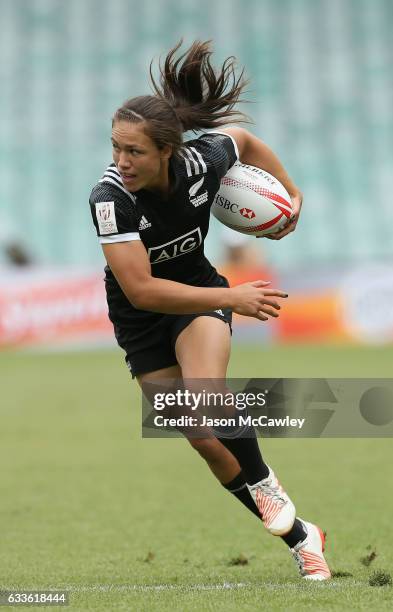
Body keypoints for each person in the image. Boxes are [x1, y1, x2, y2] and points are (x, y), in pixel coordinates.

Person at [89, 40, 331, 581]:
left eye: (134, 152)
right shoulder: (111, 199)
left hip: (198, 296)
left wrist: (290, 192)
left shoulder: (203, 162)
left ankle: (266, 484)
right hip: (142, 318)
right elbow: (143, 291)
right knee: (203, 439)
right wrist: (233, 298)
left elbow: (243, 140)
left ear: (167, 152)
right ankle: (302, 536)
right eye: (115, 148)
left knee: (207, 398)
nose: (121, 162)